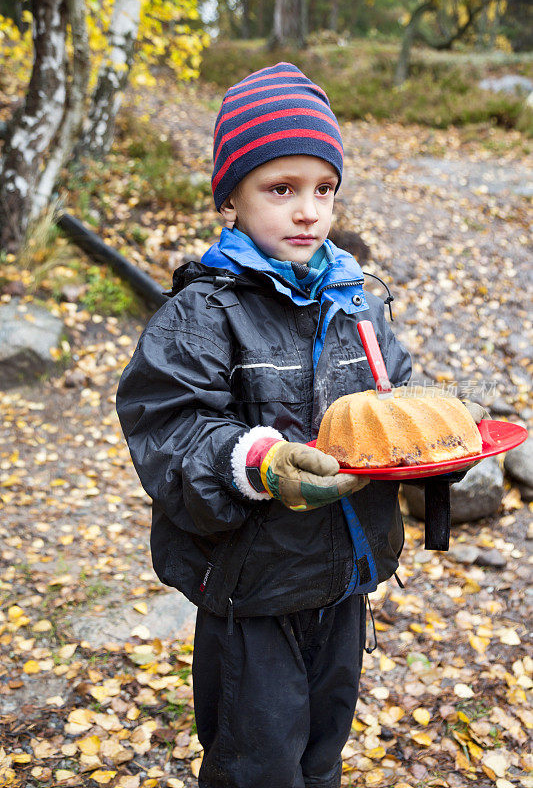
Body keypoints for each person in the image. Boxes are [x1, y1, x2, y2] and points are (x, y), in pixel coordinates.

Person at [116, 62, 488, 788]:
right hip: (253, 585)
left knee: (322, 749)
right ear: (232, 194)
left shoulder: (358, 301)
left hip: (345, 576)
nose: (307, 212)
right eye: (279, 189)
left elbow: (395, 398)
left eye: (322, 189)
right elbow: (169, 430)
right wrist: (260, 464)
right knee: (256, 761)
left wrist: (436, 435)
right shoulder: (203, 314)